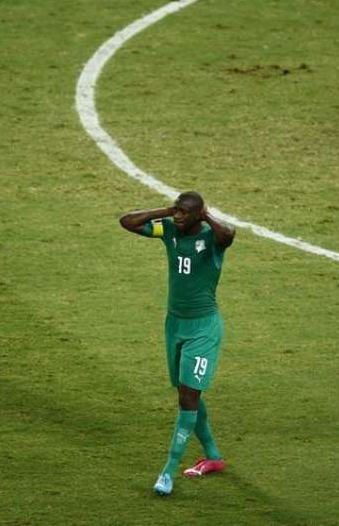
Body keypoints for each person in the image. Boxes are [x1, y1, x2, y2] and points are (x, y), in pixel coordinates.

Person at [120, 192, 235, 495]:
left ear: (199, 216)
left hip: (203, 329)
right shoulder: (168, 230)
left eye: (185, 213)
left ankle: (167, 472)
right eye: (177, 211)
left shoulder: (212, 239)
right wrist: (168, 210)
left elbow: (229, 234)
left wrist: (205, 215)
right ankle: (213, 457)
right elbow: (127, 222)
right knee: (188, 392)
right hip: (175, 325)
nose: (178, 217)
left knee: (187, 397)